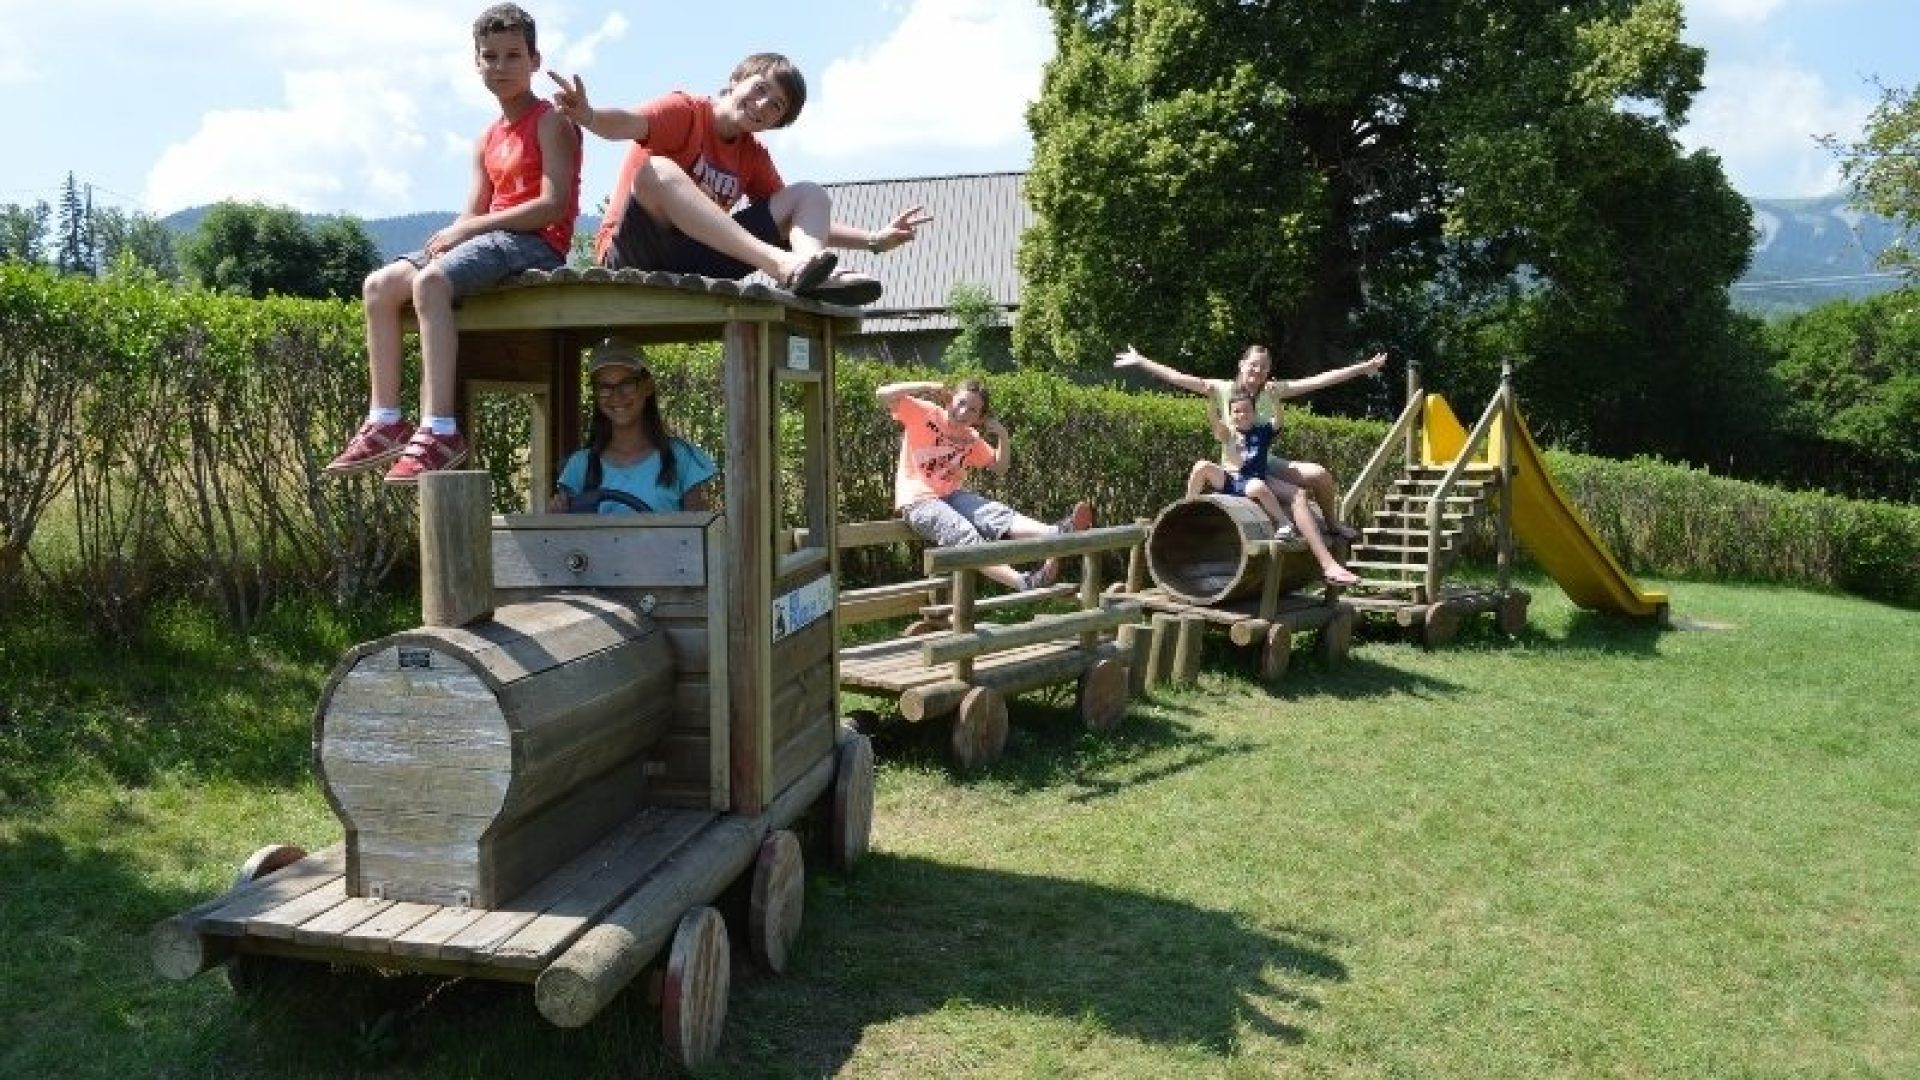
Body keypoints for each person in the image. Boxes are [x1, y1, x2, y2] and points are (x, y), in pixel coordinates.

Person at [325, 3, 581, 485]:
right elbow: (473, 208)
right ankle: (385, 419)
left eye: (512, 55)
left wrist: (466, 232)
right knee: (380, 286)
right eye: (490, 56)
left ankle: (440, 428)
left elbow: (553, 204)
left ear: (534, 60)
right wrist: (452, 235)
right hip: (490, 235)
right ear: (476, 62)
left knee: (433, 281)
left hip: (536, 242)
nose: (500, 66)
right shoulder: (486, 138)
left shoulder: (550, 122)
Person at [548, 53, 930, 307]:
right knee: (657, 170)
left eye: (776, 105)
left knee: (808, 195)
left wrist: (874, 241)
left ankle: (806, 269)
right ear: (736, 80)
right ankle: (786, 267)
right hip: (634, 255)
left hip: (694, 259)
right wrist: (590, 115)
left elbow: (795, 220)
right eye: (760, 89)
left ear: (779, 122)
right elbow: (628, 123)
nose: (763, 105)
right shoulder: (686, 111)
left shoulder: (753, 155)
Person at [1114, 342, 1385, 539]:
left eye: (1264, 366)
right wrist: (1141, 361)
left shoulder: (1272, 391)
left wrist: (1363, 368)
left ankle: (1332, 525)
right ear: (1242, 365)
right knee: (1291, 495)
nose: (1258, 370)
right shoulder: (1222, 389)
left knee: (1321, 476)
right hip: (1238, 469)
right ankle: (1189, 514)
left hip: (1267, 463)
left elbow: (1319, 381)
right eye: (1253, 364)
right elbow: (1178, 378)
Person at [879, 378, 1094, 593]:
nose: (963, 412)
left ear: (979, 418)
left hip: (951, 496)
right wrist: (927, 387)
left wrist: (1003, 435)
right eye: (961, 403)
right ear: (950, 399)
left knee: (994, 513)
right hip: (918, 501)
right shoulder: (925, 412)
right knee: (964, 534)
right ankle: (1024, 582)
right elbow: (883, 394)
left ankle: (1055, 533)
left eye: (972, 410)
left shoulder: (971, 439)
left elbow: (999, 467)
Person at [1191, 391, 1359, 587]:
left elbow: (1278, 421)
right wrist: (1211, 402)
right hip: (1229, 479)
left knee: (1262, 487)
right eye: (1236, 411)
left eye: (1246, 411)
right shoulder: (1228, 433)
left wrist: (1277, 401)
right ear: (1230, 414)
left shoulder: (1260, 432)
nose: (1241, 415)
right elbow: (1214, 422)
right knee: (1201, 466)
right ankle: (1187, 505)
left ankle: (1285, 524)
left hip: (1251, 481)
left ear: (1254, 413)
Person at [548, 338, 716, 514]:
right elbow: (564, 537)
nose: (616, 395)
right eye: (605, 387)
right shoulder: (580, 465)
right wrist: (556, 515)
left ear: (648, 386)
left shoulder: (681, 457)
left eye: (627, 384)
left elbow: (700, 532)